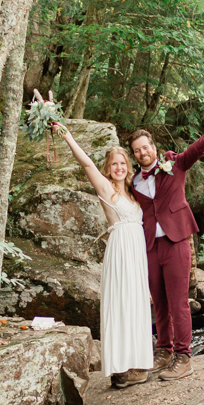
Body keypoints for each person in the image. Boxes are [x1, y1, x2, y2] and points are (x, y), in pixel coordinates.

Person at [130, 98, 204, 380]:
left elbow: (200, 145)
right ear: (134, 155)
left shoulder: (176, 164)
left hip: (177, 242)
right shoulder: (133, 182)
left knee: (179, 302)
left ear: (154, 148)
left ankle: (184, 356)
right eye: (137, 151)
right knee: (158, 302)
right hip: (149, 247)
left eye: (146, 147)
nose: (143, 153)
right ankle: (164, 350)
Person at [50, 130, 153, 388]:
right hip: (120, 250)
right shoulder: (105, 187)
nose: (119, 167)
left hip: (137, 251)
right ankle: (119, 369)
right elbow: (85, 162)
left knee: (136, 303)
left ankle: (136, 363)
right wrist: (67, 136)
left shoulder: (133, 190)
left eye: (122, 163)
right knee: (120, 304)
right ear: (108, 168)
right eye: (114, 164)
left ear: (127, 166)